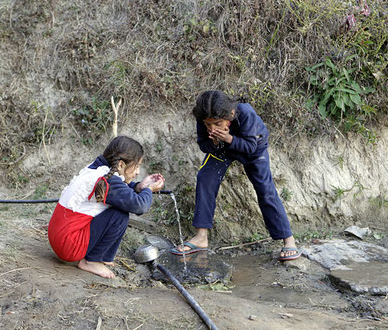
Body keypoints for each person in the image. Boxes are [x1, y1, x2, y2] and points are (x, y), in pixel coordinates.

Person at [172, 90, 301, 261]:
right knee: (205, 178)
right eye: (208, 125)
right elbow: (203, 144)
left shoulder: (245, 113)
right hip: (223, 148)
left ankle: (288, 240)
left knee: (265, 189)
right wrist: (215, 141)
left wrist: (228, 138)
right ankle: (201, 237)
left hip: (253, 146)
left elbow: (250, 147)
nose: (211, 128)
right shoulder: (204, 116)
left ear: (231, 114)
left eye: (217, 123)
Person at [48, 135, 165, 278]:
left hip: (60, 237)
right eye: (137, 166)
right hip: (69, 246)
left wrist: (140, 186)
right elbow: (139, 206)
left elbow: (122, 191)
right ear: (121, 165)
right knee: (119, 215)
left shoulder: (98, 168)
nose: (138, 172)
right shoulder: (107, 180)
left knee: (117, 209)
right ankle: (92, 260)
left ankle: (101, 256)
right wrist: (148, 190)